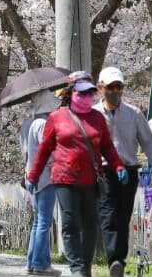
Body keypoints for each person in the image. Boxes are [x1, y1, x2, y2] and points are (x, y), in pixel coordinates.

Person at [28, 71, 128, 277]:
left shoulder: (97, 118)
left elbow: (108, 147)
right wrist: (33, 175)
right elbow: (44, 149)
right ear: (71, 93)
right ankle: (76, 268)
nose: (86, 98)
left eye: (90, 93)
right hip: (64, 178)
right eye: (81, 94)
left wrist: (118, 166)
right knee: (70, 221)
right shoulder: (56, 118)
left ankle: (85, 265)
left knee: (90, 224)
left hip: (90, 178)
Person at [93, 66, 152, 277]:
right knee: (108, 214)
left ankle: (119, 258)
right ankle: (114, 260)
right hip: (104, 172)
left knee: (123, 216)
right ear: (101, 88)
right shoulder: (93, 114)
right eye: (111, 87)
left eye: (119, 87)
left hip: (128, 171)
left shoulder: (134, 114)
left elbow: (149, 144)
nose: (115, 91)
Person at [22, 89, 63, 277]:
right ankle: (41, 263)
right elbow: (48, 151)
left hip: (36, 177)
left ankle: (33, 261)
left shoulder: (32, 123)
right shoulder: (43, 124)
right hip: (46, 178)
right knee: (44, 222)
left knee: (39, 221)